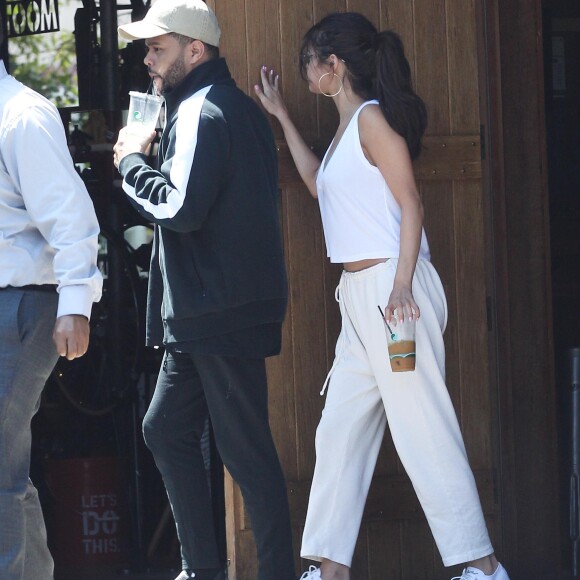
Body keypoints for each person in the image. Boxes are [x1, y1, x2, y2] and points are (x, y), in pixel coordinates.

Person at [254, 12, 511, 580]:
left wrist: (399, 288)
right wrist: (282, 118)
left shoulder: (371, 121)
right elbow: (321, 186)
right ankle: (330, 568)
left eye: (309, 64)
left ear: (334, 66)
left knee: (424, 430)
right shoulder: (349, 129)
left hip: (395, 293)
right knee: (338, 429)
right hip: (360, 298)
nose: (305, 74)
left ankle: (484, 567)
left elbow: (411, 201)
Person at [113, 1, 294, 579]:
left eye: (157, 48)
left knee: (247, 454)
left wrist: (130, 164)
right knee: (164, 429)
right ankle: (201, 569)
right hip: (208, 309)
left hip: (220, 309)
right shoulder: (218, 108)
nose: (147, 60)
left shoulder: (201, 111)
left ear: (196, 50)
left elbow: (181, 209)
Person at [0, 16, 103, 580]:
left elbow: (71, 217)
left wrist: (75, 304)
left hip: (21, 308)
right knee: (7, 469)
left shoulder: (21, 114)